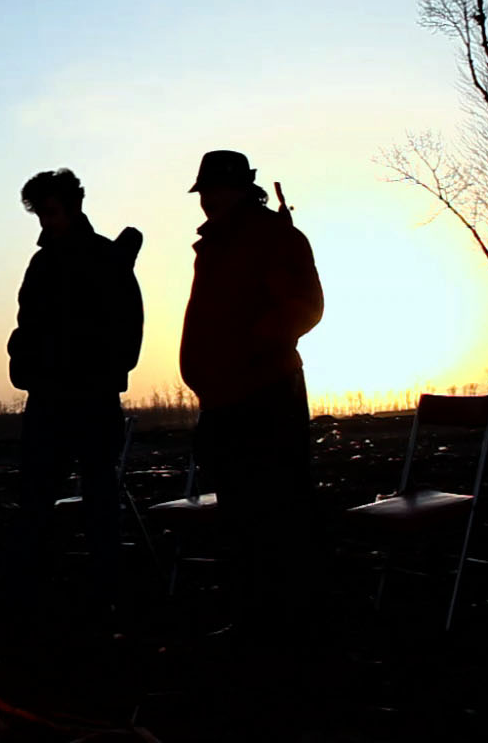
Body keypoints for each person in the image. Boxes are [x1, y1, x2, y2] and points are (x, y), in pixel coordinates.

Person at [177, 149, 324, 649]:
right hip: (224, 399)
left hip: (264, 398)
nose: (208, 200)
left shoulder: (270, 236)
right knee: (240, 515)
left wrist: (251, 350)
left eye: (216, 189)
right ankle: (253, 619)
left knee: (275, 513)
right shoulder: (218, 243)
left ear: (241, 188)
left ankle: (287, 625)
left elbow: (303, 307)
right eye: (205, 192)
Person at [7, 168, 144, 610]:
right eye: (39, 214)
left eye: (50, 212)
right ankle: (34, 584)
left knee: (99, 493)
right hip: (49, 398)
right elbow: (27, 324)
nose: (45, 222)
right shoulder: (45, 262)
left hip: (89, 397)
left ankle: (105, 584)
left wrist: (101, 373)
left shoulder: (105, 259)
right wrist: (25, 366)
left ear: (73, 206)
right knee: (38, 494)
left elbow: (128, 330)